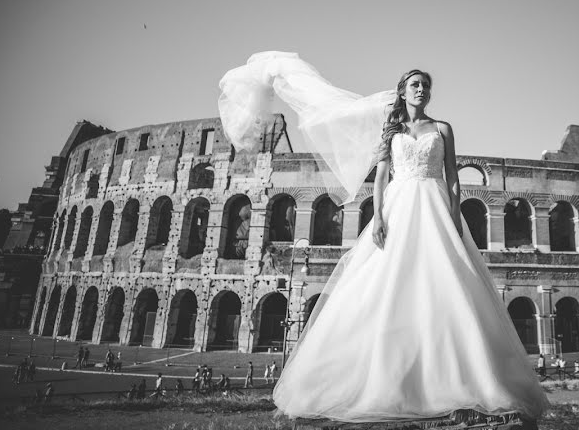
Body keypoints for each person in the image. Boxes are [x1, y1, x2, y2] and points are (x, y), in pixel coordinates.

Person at [219, 54, 548, 422]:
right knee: (388, 281)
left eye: (425, 85)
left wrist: (455, 216)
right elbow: (379, 178)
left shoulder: (443, 129)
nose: (421, 89)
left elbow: (452, 175)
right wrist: (377, 217)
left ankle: (459, 376)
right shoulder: (390, 132)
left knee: (448, 282)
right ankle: (385, 377)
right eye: (415, 85)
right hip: (400, 204)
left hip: (436, 205)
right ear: (403, 92)